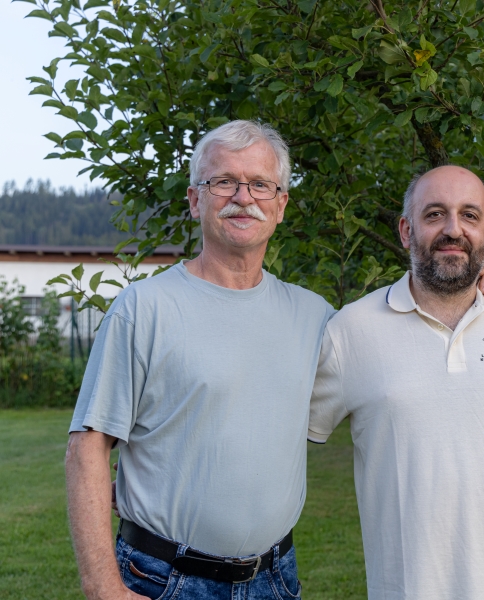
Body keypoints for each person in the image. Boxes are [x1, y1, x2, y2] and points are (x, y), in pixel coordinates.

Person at [66, 120, 335, 599]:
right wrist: (103, 587)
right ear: (195, 200)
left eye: (260, 184)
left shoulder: (316, 317)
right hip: (163, 579)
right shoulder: (143, 309)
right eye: (223, 182)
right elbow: (87, 449)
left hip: (275, 578)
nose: (243, 197)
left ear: (281, 206)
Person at [307, 165, 484, 600]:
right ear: (406, 230)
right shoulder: (351, 331)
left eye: (469, 216)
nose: (453, 229)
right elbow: (287, 440)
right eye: (435, 214)